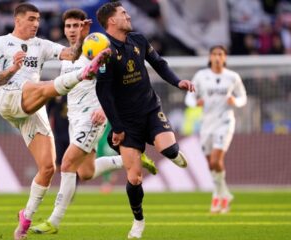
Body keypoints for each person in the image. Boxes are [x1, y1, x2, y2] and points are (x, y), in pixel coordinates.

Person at [0, 3, 111, 240]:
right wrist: (13, 68)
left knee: (48, 167)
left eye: (38, 19)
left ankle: (25, 219)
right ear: (18, 20)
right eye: (31, 19)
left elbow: (72, 54)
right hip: (9, 97)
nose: (36, 23)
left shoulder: (41, 45)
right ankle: (81, 75)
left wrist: (82, 36)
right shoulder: (0, 43)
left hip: (33, 106)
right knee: (45, 88)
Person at [29, 9, 158, 235]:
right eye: (68, 26)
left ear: (85, 27)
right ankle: (132, 158)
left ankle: (54, 220)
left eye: (77, 26)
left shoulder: (97, 50)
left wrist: (104, 110)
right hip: (74, 118)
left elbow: (114, 84)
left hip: (92, 117)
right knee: (86, 172)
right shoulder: (68, 55)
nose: (72, 30)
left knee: (67, 164)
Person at [94, 2, 195, 239]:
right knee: (135, 177)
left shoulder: (139, 40)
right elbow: (104, 94)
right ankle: (138, 221)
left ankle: (173, 153)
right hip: (127, 122)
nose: (128, 15)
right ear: (111, 21)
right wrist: (117, 127)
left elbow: (159, 63)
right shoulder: (105, 53)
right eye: (123, 14)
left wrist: (178, 82)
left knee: (169, 149)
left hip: (150, 109)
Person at [185, 45, 247, 214]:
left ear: (225, 58)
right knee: (211, 165)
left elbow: (243, 96)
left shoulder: (232, 77)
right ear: (210, 57)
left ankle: (217, 195)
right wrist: (194, 103)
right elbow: (189, 96)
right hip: (206, 123)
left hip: (225, 122)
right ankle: (224, 194)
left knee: (215, 161)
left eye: (220, 54)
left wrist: (236, 101)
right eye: (214, 54)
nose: (217, 57)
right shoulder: (201, 76)